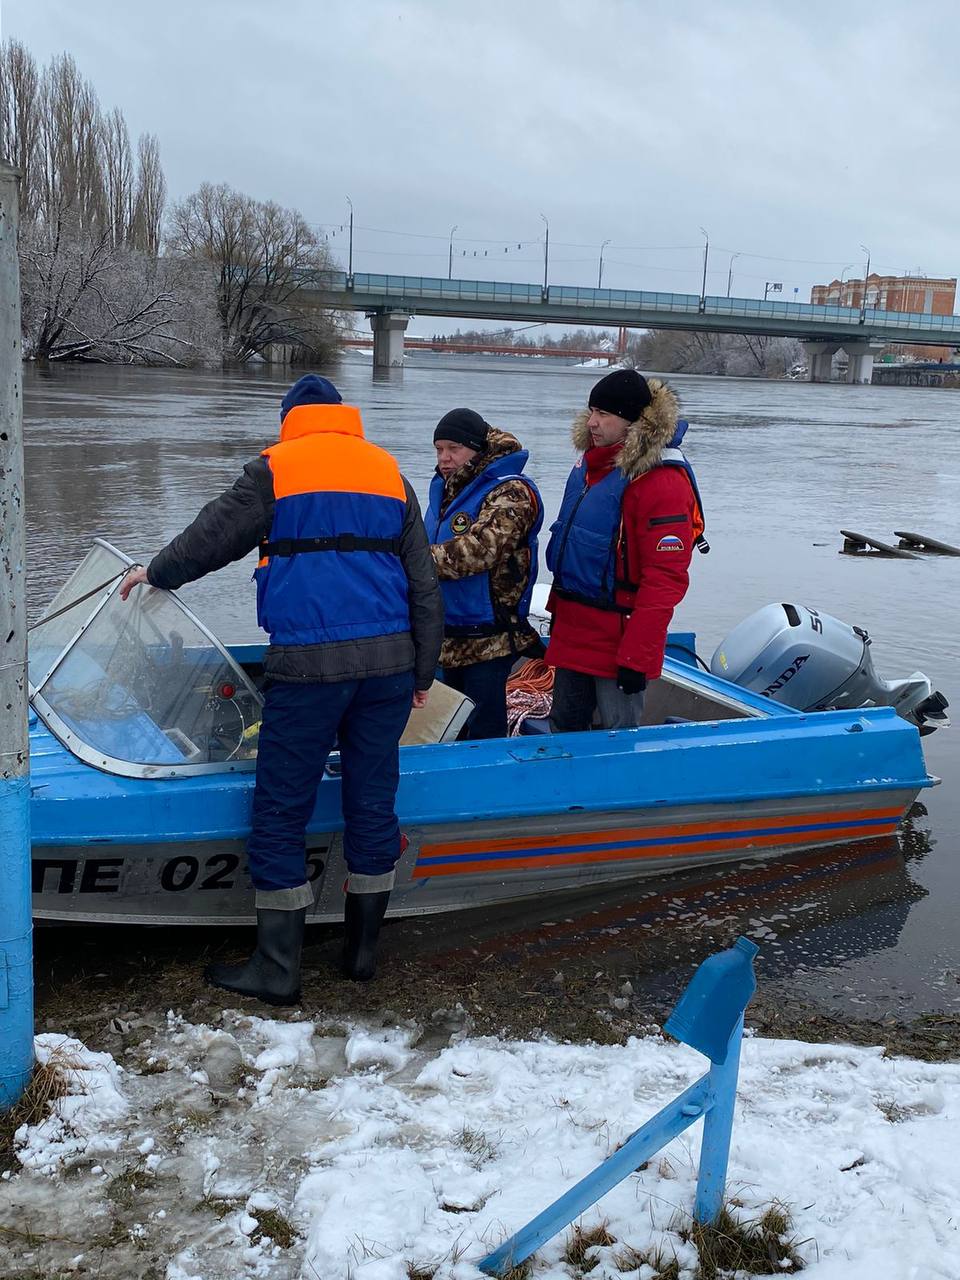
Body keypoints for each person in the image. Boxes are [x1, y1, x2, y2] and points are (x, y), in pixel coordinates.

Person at [120, 374, 443, 1002]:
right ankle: (361, 955)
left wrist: (155, 572)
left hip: (309, 668)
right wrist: (423, 673)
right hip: (389, 669)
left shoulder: (276, 469)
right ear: (342, 416)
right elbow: (423, 582)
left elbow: (211, 537)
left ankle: (277, 967)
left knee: (280, 809)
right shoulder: (389, 474)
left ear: (290, 418)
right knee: (373, 802)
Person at [544, 368, 706, 732]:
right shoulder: (588, 467)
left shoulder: (662, 482)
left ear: (633, 421)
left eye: (604, 414)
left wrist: (637, 656)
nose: (592, 422)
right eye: (591, 411)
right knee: (563, 735)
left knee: (616, 739)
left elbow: (664, 579)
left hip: (619, 641)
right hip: (573, 631)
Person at [425, 407, 543, 738]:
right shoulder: (448, 490)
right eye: (439, 449)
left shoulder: (511, 492)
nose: (444, 458)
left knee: (483, 729)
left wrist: (413, 561)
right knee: (448, 728)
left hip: (490, 638)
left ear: (476, 449)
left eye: (454, 449)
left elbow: (480, 551)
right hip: (447, 634)